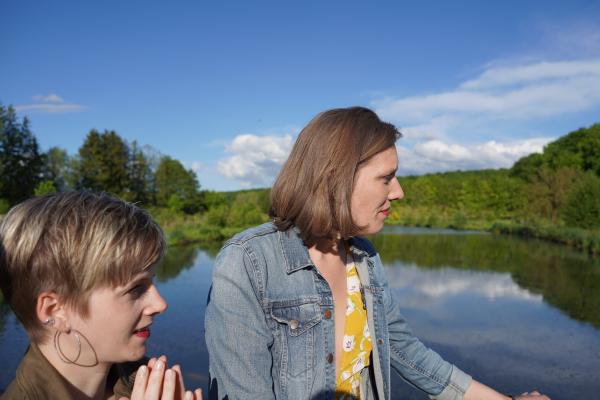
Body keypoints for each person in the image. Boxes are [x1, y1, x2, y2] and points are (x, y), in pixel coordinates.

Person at [205, 107, 550, 400]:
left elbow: (404, 350)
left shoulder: (363, 257)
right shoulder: (248, 262)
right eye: (387, 178)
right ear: (334, 178)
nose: (398, 192)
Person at [0, 191, 202, 400]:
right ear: (56, 310)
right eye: (135, 288)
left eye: (152, 281)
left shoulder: (150, 384)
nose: (160, 304)